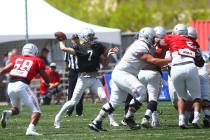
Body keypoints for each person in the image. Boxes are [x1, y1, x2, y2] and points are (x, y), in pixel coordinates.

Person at [89, 27, 170, 132]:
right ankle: (128, 118)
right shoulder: (141, 46)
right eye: (153, 37)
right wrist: (171, 59)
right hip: (124, 74)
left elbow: (155, 54)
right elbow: (153, 61)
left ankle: (96, 122)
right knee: (141, 92)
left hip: (121, 74)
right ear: (148, 37)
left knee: (114, 102)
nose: (154, 39)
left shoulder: (141, 44)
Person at [54, 28, 119, 129]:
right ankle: (57, 118)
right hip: (83, 78)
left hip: (94, 78)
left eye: (92, 36)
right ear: (85, 37)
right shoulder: (79, 47)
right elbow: (64, 49)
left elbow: (104, 63)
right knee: (73, 102)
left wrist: (109, 55)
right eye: (90, 36)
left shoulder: (97, 47)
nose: (92, 38)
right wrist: (61, 41)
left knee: (104, 98)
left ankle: (112, 120)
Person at [0, 43, 50, 136]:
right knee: (37, 111)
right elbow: (45, 76)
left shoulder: (17, 58)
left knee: (17, 109)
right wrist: (48, 82)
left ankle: (8, 113)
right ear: (34, 51)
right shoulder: (37, 60)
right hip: (22, 85)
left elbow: (3, 71)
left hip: (10, 85)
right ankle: (30, 130)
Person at [160, 24, 202, 128]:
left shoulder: (171, 37)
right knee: (196, 96)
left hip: (176, 68)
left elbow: (161, 43)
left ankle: (181, 120)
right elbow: (200, 61)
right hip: (190, 66)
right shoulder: (193, 42)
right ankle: (196, 118)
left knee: (181, 97)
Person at [139, 26, 167, 128]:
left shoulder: (146, 43)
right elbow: (159, 60)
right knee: (153, 98)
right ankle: (152, 119)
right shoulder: (161, 45)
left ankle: (129, 116)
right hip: (154, 72)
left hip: (141, 71)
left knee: (142, 97)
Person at [188, 26, 210, 127]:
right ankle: (207, 115)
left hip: (189, 71)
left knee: (190, 96)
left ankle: (191, 115)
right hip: (201, 71)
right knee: (205, 95)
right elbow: (201, 62)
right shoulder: (196, 46)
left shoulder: (176, 44)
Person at [64, 34, 84, 117]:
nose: (75, 40)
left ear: (79, 40)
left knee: (81, 90)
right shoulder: (69, 49)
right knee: (71, 91)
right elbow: (66, 60)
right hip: (73, 71)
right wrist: (67, 68)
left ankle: (79, 111)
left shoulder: (83, 48)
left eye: (76, 39)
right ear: (71, 40)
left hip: (81, 71)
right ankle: (69, 110)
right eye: (74, 39)